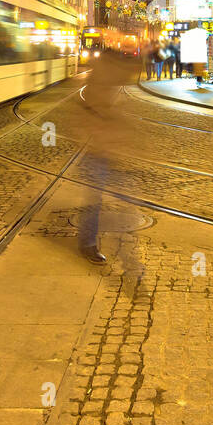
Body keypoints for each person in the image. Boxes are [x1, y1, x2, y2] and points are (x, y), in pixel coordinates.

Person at [76, 48, 138, 263]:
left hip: (107, 149)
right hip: (98, 150)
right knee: (95, 198)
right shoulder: (101, 84)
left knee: (103, 195)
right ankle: (87, 244)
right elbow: (96, 115)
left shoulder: (109, 81)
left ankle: (89, 242)